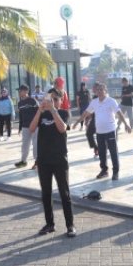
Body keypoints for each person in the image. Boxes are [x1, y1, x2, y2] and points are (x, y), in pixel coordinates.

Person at [29, 88, 76, 238]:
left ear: (61, 101)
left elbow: (62, 128)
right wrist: (40, 110)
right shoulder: (42, 114)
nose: (53, 102)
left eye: (56, 99)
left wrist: (54, 110)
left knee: (64, 193)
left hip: (59, 159)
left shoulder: (64, 113)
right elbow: (31, 129)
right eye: (51, 99)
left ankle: (70, 225)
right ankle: (50, 224)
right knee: (46, 194)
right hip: (43, 160)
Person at [77, 82, 131, 180]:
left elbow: (119, 113)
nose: (100, 91)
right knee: (101, 152)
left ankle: (115, 172)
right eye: (98, 90)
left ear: (105, 91)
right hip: (99, 132)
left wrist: (126, 124)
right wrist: (77, 122)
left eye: (102, 90)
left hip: (110, 130)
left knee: (113, 151)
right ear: (96, 92)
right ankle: (104, 171)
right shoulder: (94, 102)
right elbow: (86, 112)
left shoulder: (111, 101)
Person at [15, 85, 38, 168]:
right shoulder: (20, 103)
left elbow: (38, 113)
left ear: (26, 91)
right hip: (25, 127)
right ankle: (23, 161)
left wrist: (37, 124)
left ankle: (37, 162)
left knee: (35, 144)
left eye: (20, 91)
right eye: (19, 91)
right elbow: (21, 116)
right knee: (25, 145)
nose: (19, 92)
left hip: (35, 126)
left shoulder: (32, 101)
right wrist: (20, 128)